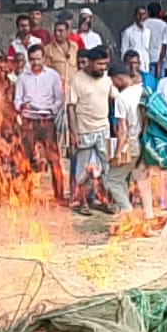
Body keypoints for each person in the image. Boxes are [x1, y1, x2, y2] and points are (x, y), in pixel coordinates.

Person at [68, 46, 118, 215]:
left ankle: (104, 201)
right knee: (83, 170)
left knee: (105, 168)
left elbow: (115, 99)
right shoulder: (77, 80)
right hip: (84, 131)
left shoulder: (107, 79)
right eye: (99, 64)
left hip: (104, 130)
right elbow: (70, 108)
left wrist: (116, 126)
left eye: (105, 64)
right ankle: (81, 202)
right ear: (89, 63)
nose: (103, 68)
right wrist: (74, 133)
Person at [14, 43, 67, 201]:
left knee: (54, 159)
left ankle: (59, 195)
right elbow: (17, 101)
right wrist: (21, 106)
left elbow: (59, 100)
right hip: (29, 121)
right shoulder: (22, 78)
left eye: (38, 59)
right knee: (26, 158)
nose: (36, 63)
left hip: (46, 120)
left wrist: (51, 109)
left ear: (44, 58)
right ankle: (27, 195)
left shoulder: (53, 76)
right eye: (32, 60)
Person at [107, 65, 145, 215]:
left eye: (113, 81)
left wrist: (117, 154)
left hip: (130, 142)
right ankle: (124, 211)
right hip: (143, 140)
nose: (113, 84)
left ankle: (128, 212)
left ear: (120, 78)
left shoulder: (121, 99)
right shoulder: (141, 91)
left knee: (112, 180)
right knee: (122, 178)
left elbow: (122, 130)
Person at [120, 6, 154, 77]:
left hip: (146, 65)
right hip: (133, 67)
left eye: (143, 14)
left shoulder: (148, 31)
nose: (141, 16)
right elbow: (124, 51)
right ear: (135, 16)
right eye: (139, 14)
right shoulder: (128, 32)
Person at [45, 20, 81, 85]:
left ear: (67, 32)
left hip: (73, 87)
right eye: (55, 31)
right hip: (57, 87)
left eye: (60, 31)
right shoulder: (47, 49)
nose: (57, 33)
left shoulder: (74, 47)